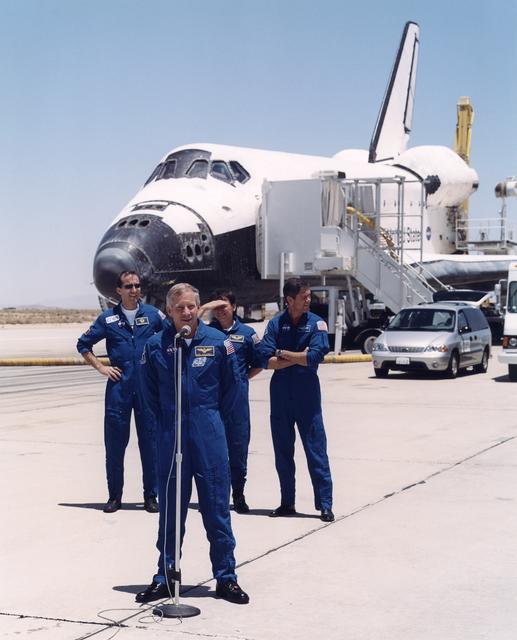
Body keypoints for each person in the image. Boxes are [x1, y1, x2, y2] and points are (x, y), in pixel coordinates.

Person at [136, 283, 249, 605]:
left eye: (190, 307)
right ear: (169, 312)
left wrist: (210, 419)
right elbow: (148, 395)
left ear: (197, 308)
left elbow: (232, 391)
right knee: (171, 512)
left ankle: (226, 577)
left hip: (209, 433)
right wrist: (169, 423)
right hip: (171, 436)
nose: (186, 312)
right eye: (179, 308)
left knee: (216, 509)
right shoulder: (156, 346)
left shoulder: (219, 343)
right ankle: (165, 577)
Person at [76, 271, 165, 514]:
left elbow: (172, 335)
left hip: (148, 390)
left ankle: (151, 496)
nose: (134, 290)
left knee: (151, 444)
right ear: (119, 290)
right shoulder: (107, 319)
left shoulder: (153, 315)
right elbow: (83, 344)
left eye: (136, 285)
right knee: (115, 445)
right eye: (128, 286)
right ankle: (114, 496)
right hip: (119, 389)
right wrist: (101, 367)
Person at [260, 278, 334, 522]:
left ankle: (324, 504)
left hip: (307, 397)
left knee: (316, 451)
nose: (309, 300)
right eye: (304, 297)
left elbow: (314, 358)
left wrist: (282, 354)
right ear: (290, 300)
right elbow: (265, 360)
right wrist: (298, 356)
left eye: (309, 296)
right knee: (282, 453)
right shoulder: (275, 324)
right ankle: (287, 502)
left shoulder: (317, 324)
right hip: (280, 397)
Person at [198, 289, 262, 513]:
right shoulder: (205, 332)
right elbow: (183, 325)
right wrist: (205, 307)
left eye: (223, 306)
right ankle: (217, 496)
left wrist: (241, 379)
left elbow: (260, 361)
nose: (220, 311)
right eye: (216, 307)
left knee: (238, 449)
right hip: (213, 401)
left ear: (234, 307)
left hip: (237, 403)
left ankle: (239, 494)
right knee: (213, 451)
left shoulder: (247, 333)